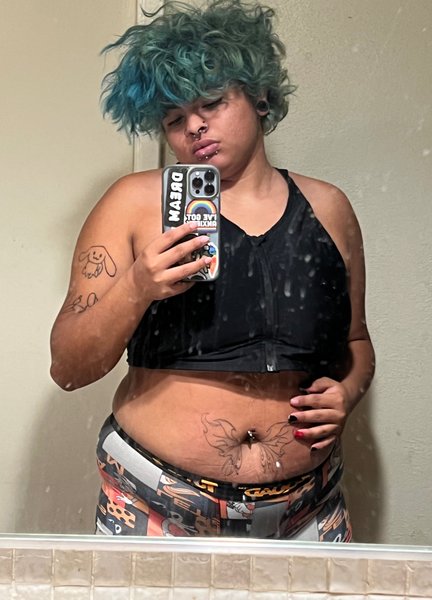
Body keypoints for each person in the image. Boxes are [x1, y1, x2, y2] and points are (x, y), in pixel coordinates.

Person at [50, 0, 375, 540]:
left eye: (212, 103)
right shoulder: (132, 203)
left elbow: (357, 342)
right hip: (154, 501)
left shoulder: (329, 207)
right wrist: (137, 287)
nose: (195, 126)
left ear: (260, 96)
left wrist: (348, 392)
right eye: (174, 119)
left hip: (307, 509)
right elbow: (68, 367)